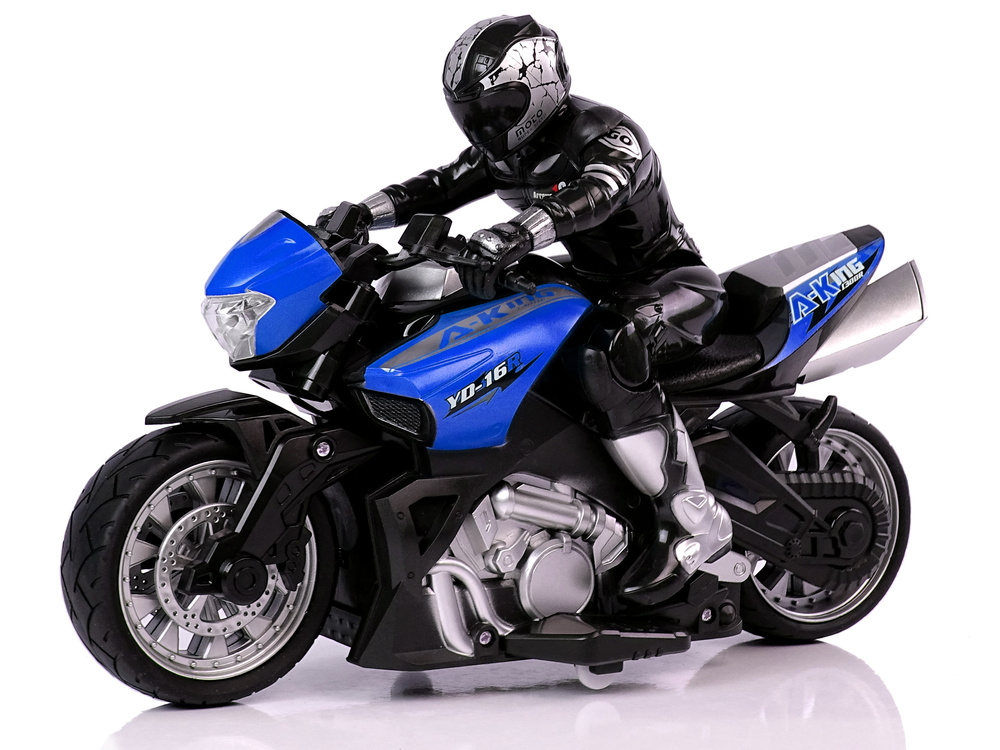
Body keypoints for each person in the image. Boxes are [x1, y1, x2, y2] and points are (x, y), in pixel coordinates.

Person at [319, 15, 732, 606]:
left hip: (667, 280)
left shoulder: (607, 134)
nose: (487, 125)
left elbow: (595, 194)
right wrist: (366, 211)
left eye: (501, 108)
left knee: (607, 348)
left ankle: (688, 518)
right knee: (477, 307)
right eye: (475, 113)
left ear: (542, 89)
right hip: (590, 280)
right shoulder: (508, 150)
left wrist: (515, 234)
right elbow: (439, 184)